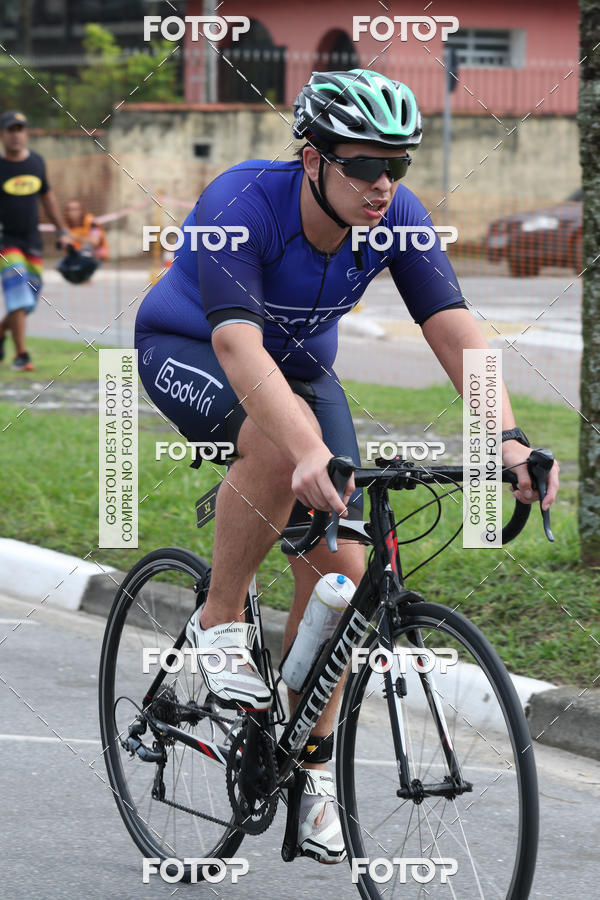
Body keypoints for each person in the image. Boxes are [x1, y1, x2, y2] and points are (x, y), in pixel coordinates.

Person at [134, 69, 560, 864]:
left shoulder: (395, 215)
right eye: (364, 165)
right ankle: (220, 619)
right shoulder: (242, 202)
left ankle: (309, 770)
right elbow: (236, 346)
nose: (382, 184)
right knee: (273, 444)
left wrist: (507, 437)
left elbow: (454, 327)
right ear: (312, 158)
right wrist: (301, 451)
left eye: (396, 165)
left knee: (343, 574)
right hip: (189, 347)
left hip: (298, 370)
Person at [0, 110, 69, 371]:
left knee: (30, 296)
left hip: (33, 240)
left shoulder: (36, 163)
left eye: (20, 129)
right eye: (11, 130)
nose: (16, 135)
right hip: (6, 241)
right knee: (17, 290)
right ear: (2, 135)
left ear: (26, 132)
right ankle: (22, 354)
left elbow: (48, 198)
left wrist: (62, 230)